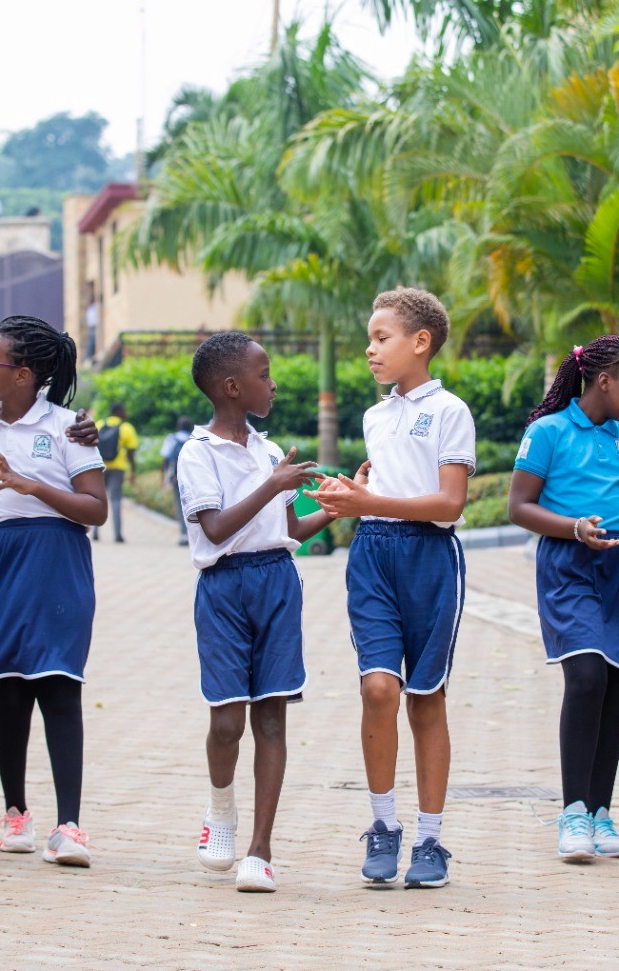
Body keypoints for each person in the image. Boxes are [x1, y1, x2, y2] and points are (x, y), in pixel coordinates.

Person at [311, 287, 474, 890]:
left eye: (381, 338)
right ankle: (384, 826)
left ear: (420, 342)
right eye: (371, 338)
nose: (370, 349)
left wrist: (367, 501)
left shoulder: (451, 411)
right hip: (373, 556)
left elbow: (449, 504)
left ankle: (431, 839)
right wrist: (347, 496)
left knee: (425, 697)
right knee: (378, 688)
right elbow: (380, 490)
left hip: (431, 559)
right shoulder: (374, 416)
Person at [178, 332, 334, 893]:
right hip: (223, 588)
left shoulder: (270, 452)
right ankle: (221, 811)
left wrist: (339, 508)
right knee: (227, 720)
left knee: (271, 717)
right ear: (232, 387)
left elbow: (290, 531)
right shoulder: (197, 452)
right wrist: (273, 486)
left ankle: (261, 850)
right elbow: (215, 528)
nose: (273, 383)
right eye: (264, 374)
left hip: (276, 584)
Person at [507, 335, 619, 863]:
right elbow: (518, 507)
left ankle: (601, 813)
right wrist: (573, 528)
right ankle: (573, 812)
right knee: (587, 678)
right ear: (603, 380)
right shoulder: (547, 432)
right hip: (569, 565)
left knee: (616, 691)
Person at [0, 316, 109, 868]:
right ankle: (14, 814)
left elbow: (96, 509)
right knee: (9, 688)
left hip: (56, 561)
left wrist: (34, 486)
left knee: (58, 685)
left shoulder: (70, 427)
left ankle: (69, 826)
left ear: (23, 375)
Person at [93, 401, 138, 543]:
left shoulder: (99, 424)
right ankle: (117, 534)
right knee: (116, 500)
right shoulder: (126, 428)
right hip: (118, 468)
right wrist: (133, 471)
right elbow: (131, 452)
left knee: (97, 499)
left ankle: (95, 532)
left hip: (100, 467)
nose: (126, 413)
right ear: (119, 412)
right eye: (124, 411)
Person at [162, 415, 195, 545]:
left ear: (178, 426)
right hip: (193, 479)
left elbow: (165, 458)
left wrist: (164, 477)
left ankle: (183, 535)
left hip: (177, 479)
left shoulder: (172, 439)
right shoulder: (195, 439)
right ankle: (194, 535)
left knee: (180, 505)